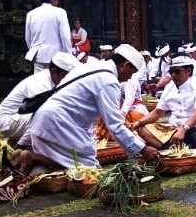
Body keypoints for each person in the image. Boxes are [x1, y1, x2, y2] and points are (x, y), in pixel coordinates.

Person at [14, 45, 157, 171]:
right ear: (124, 65)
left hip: (44, 119)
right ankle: (33, 158)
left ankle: (31, 158)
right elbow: (115, 126)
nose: (128, 79)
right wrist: (143, 150)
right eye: (130, 74)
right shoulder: (108, 81)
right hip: (59, 123)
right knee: (88, 169)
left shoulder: (90, 67)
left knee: (59, 167)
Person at [0, 51, 75, 147]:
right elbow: (47, 114)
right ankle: (21, 147)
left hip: (23, 117)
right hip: (7, 120)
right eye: (67, 76)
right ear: (54, 72)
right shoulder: (40, 84)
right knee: (47, 118)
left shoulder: (53, 79)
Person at [132, 56, 196, 149]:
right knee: (142, 129)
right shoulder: (169, 87)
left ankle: (173, 148)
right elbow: (157, 112)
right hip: (174, 128)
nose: (173, 75)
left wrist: (183, 129)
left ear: (188, 71)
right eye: (171, 72)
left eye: (177, 71)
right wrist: (139, 122)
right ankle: (173, 149)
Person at [24, 0, 72, 73]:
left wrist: (34, 50)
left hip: (38, 57)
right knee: (56, 84)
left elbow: (28, 38)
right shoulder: (60, 12)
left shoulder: (31, 14)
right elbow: (65, 37)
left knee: (40, 84)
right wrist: (69, 56)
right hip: (56, 58)